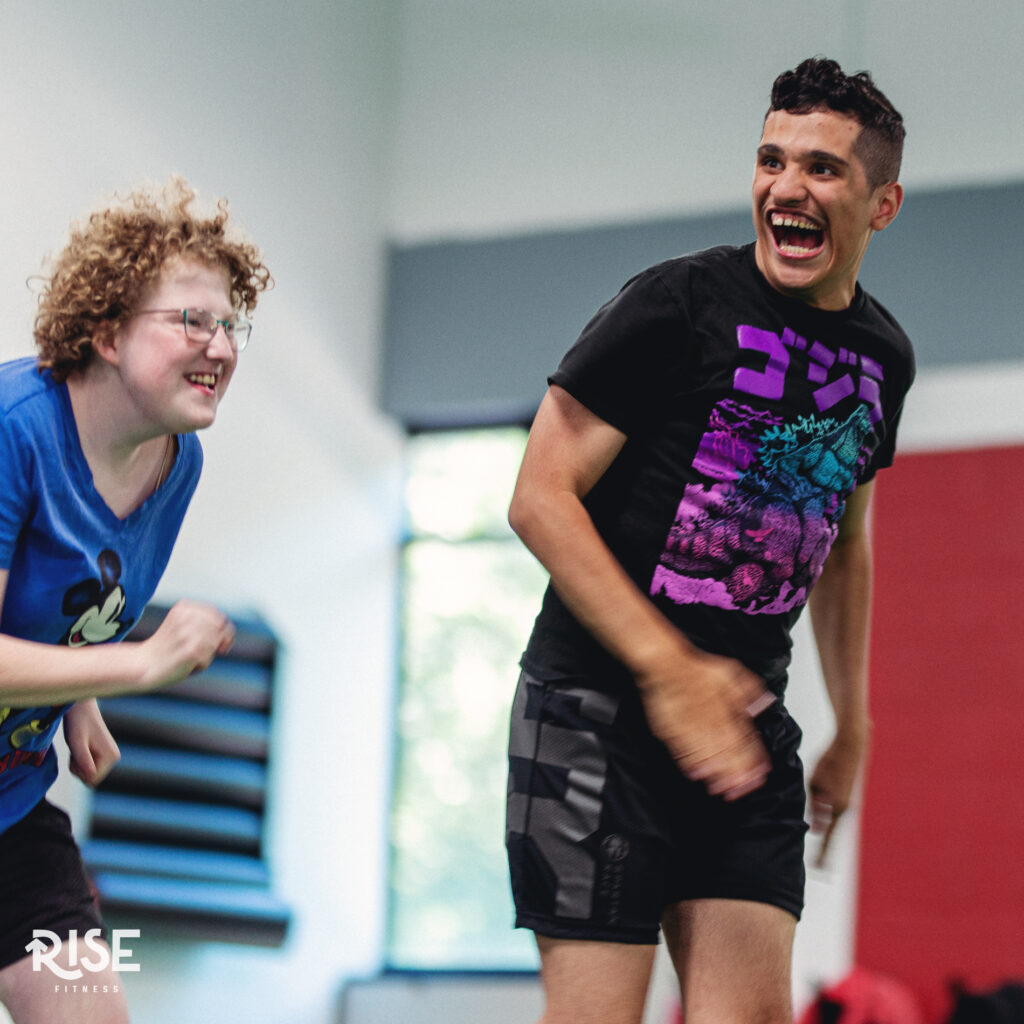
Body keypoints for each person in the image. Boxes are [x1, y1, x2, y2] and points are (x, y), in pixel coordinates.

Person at [505, 58, 913, 1024]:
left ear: (881, 203)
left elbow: (844, 544)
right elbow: (539, 497)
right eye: (771, 162)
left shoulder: (882, 359)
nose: (786, 189)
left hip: (742, 725)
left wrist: (853, 725)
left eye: (821, 169)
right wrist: (667, 668)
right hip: (594, 711)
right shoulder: (675, 306)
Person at [0, 179, 271, 1024]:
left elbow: (73, 595)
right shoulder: (14, 428)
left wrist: (76, 692)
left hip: (10, 810)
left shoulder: (173, 459)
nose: (220, 346)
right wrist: (138, 664)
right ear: (108, 331)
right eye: (192, 319)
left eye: (230, 324)